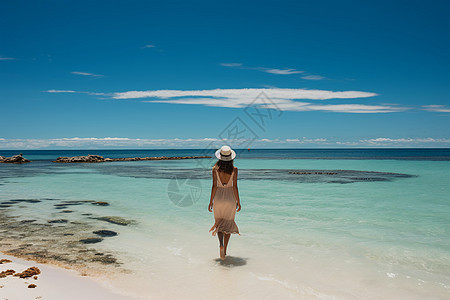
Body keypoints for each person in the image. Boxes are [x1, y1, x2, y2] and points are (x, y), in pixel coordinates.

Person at [208, 145, 241, 260]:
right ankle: (225, 250)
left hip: (218, 198)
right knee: (228, 223)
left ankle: (220, 245)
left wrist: (210, 202)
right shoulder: (235, 170)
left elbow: (214, 186)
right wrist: (238, 202)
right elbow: (235, 187)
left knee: (219, 223)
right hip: (230, 197)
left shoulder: (215, 170)